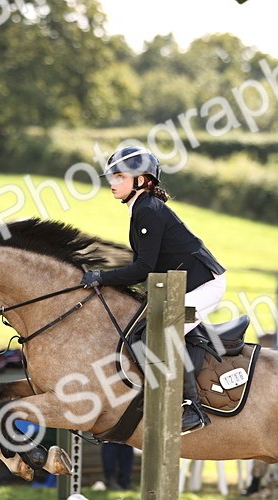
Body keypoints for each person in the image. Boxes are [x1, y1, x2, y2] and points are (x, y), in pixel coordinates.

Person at [80, 146, 227, 435]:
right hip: (183, 284)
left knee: (159, 333)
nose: (112, 183)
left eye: (120, 177)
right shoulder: (141, 208)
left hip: (204, 285)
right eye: (112, 177)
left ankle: (192, 407)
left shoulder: (147, 210)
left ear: (142, 180)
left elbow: (142, 268)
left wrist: (100, 278)